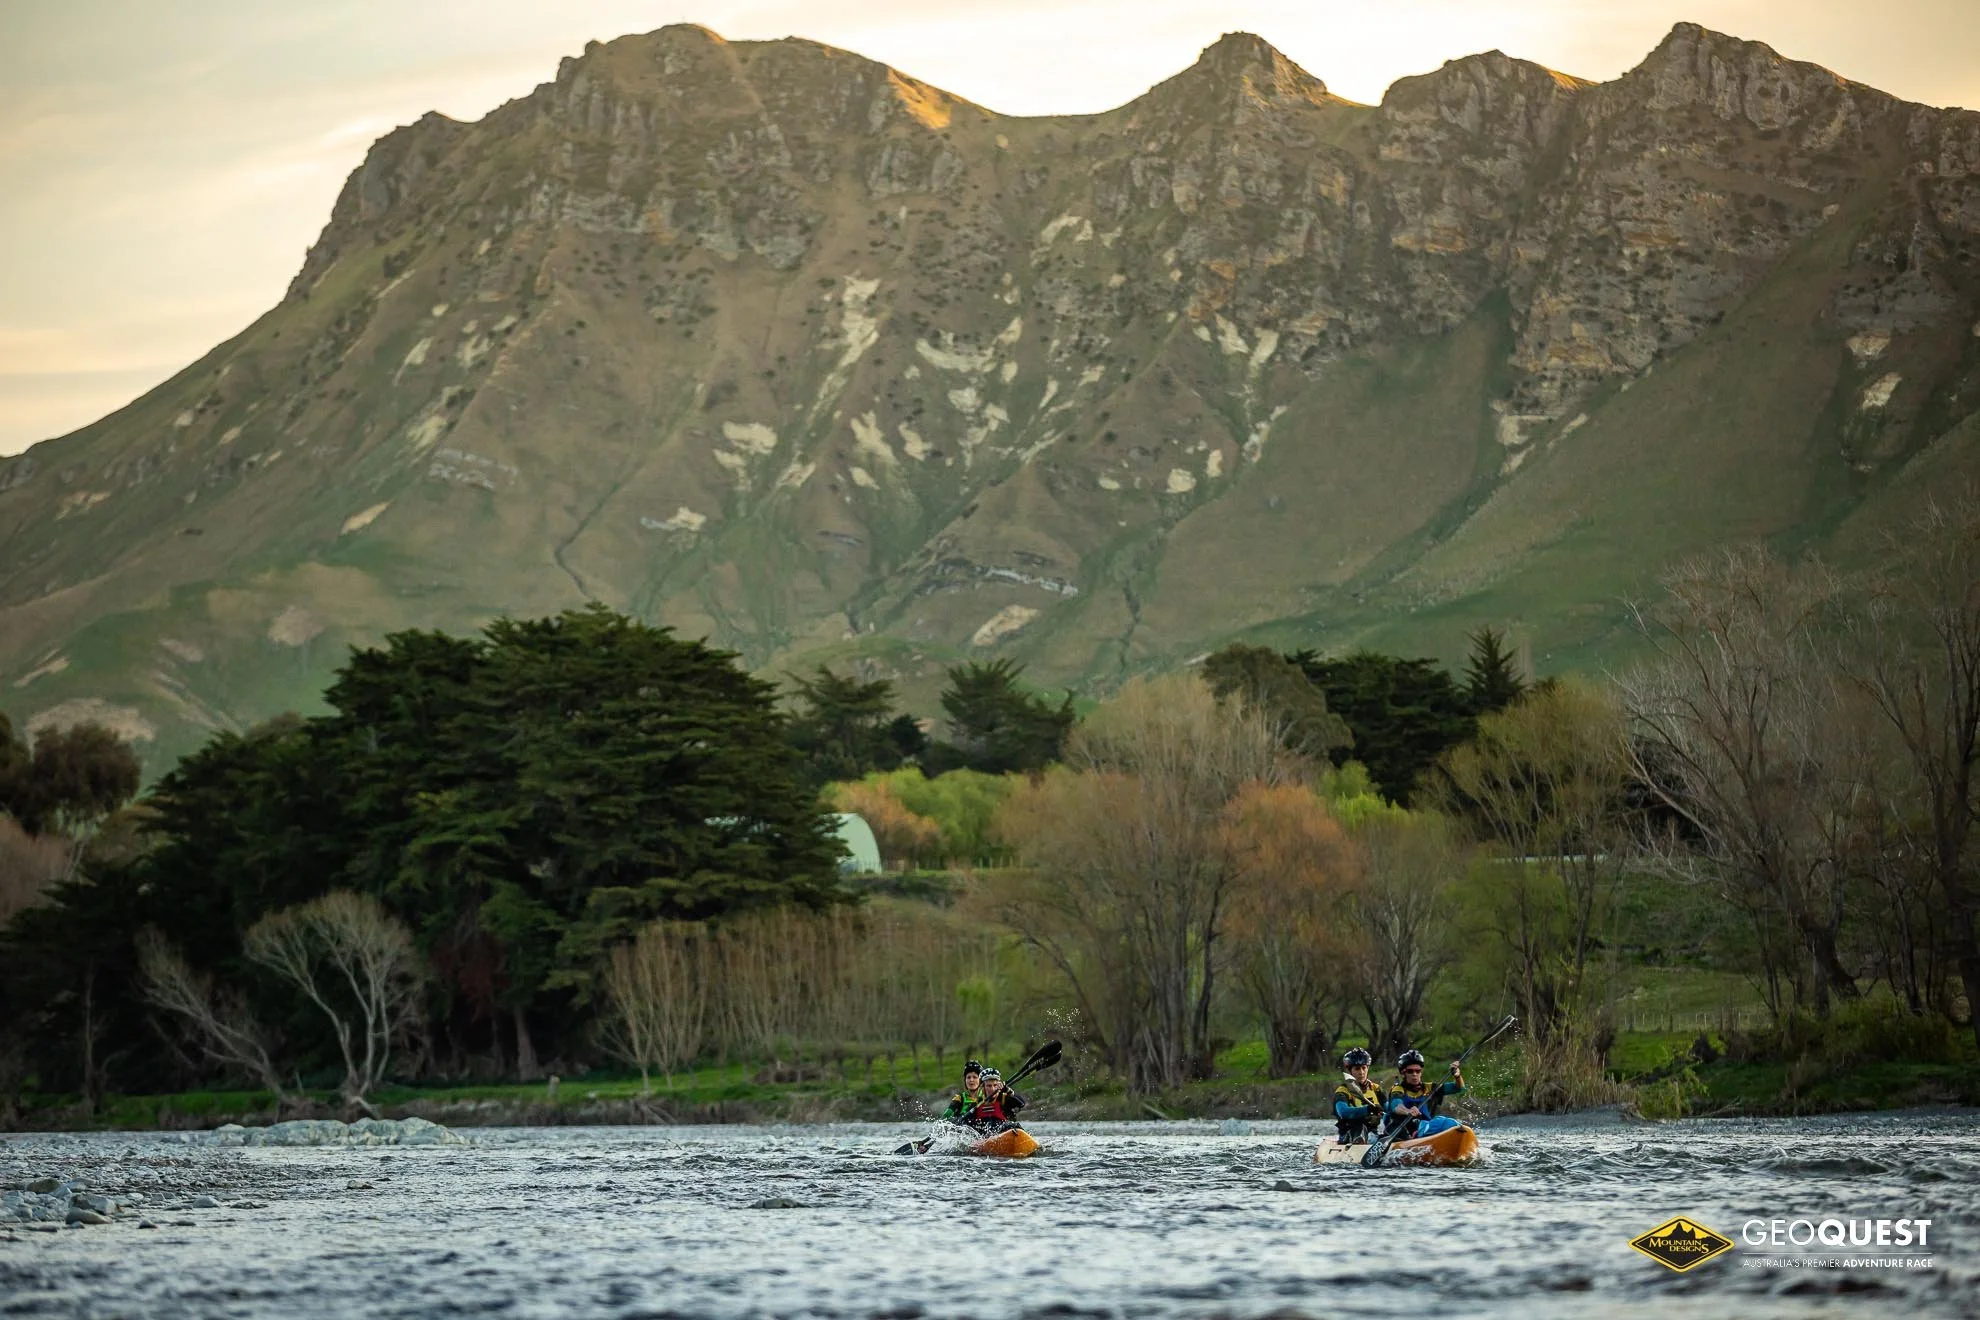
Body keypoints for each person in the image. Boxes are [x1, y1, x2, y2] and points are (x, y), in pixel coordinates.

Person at [1384, 1048, 1465, 1140]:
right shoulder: (1398, 1089)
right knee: (1438, 1122)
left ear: (1421, 1072)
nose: (1414, 1074)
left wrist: (1457, 1076)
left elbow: (1459, 1088)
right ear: (1403, 1073)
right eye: (1410, 1071)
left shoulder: (1430, 1088)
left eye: (1417, 1071)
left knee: (1446, 1122)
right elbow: (1396, 1106)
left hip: (1425, 1128)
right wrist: (1408, 1111)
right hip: (1402, 1131)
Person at [1331, 1047, 1386, 1145]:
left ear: (1367, 1068)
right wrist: (1368, 1109)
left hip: (1372, 1135)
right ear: (1350, 1071)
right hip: (1349, 1135)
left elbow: (1389, 1107)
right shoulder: (1343, 1091)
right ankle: (1359, 1142)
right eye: (1357, 1069)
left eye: (1364, 1068)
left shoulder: (1375, 1089)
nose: (1361, 1072)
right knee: (1360, 1127)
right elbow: (1343, 1112)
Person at [960, 1065, 1025, 1129]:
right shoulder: (976, 1104)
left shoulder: (1004, 1098)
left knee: (1013, 1125)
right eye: (989, 1086)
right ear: (983, 1087)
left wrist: (1008, 1091)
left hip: (1007, 1132)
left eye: (995, 1085)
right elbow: (965, 1124)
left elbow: (1021, 1103)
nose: (993, 1089)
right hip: (986, 1136)